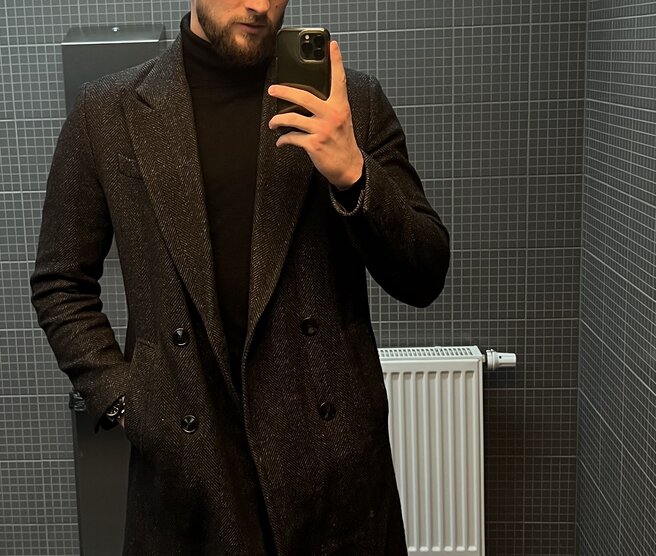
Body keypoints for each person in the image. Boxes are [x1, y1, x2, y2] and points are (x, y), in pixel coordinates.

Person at [30, 0, 450, 553]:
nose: (259, 4)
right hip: (189, 463)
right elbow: (60, 282)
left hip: (331, 470)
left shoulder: (351, 104)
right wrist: (127, 401)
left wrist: (353, 173)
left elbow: (424, 275)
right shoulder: (107, 113)